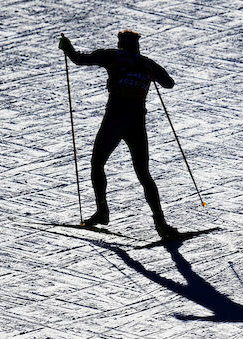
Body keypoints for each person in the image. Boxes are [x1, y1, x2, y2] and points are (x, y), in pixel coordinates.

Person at [58, 30, 179, 239]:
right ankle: (161, 223)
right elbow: (169, 83)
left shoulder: (113, 56)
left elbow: (79, 59)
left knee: (98, 163)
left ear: (121, 43)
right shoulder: (147, 63)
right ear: (137, 45)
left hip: (114, 120)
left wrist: (67, 47)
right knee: (143, 173)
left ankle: (102, 211)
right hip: (136, 123)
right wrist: (147, 72)